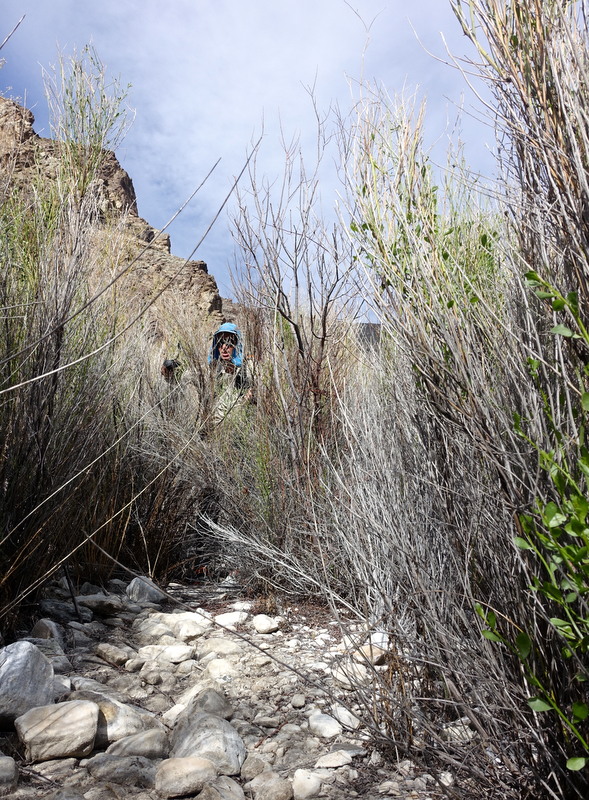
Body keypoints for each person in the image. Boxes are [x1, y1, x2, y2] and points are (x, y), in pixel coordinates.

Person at [207, 322, 253, 425]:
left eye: (230, 342)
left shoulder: (248, 368)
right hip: (216, 427)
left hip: (239, 425)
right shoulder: (215, 369)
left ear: (237, 344)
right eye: (220, 342)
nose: (224, 347)